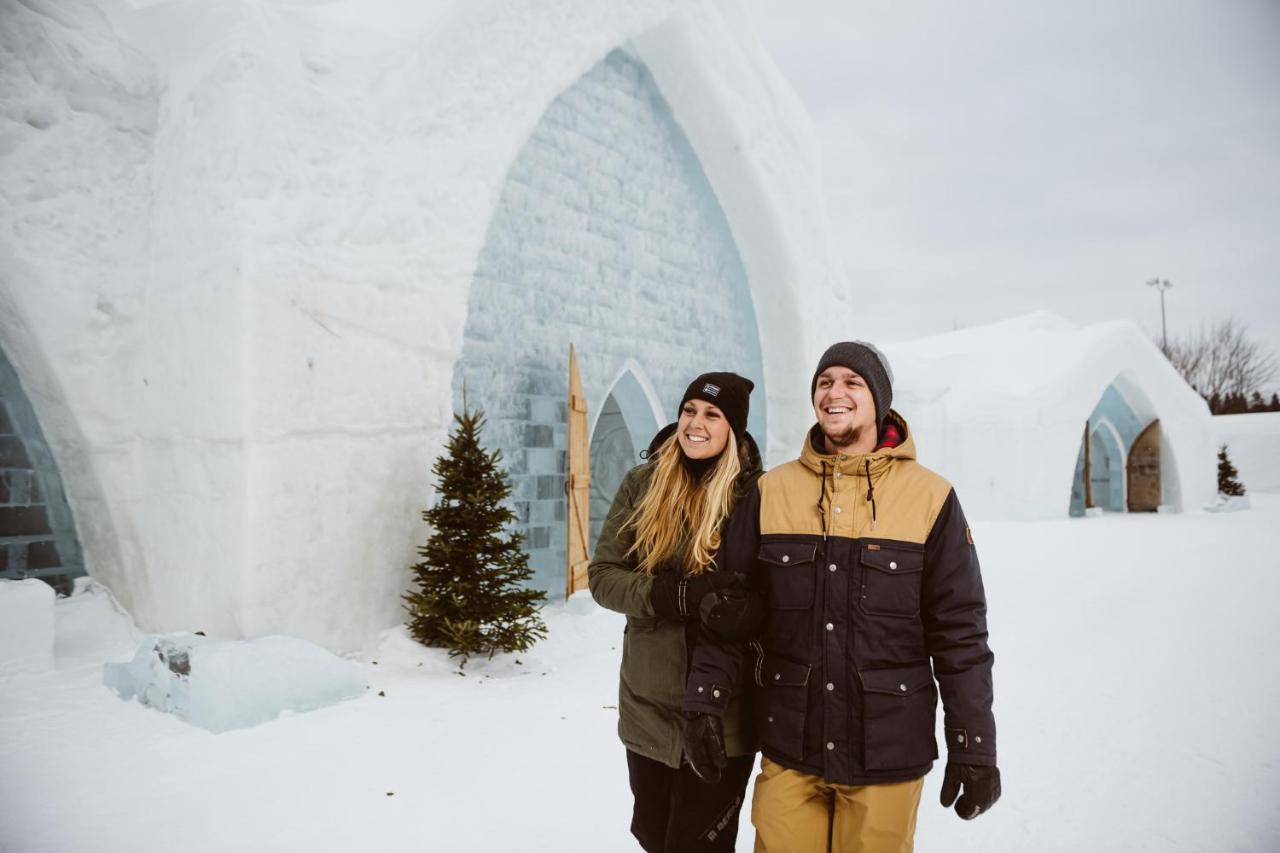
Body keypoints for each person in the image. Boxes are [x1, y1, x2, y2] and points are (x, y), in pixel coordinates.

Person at [688, 342, 1000, 853]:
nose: (835, 393)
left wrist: (975, 745)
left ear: (879, 399)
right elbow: (727, 612)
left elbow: (960, 633)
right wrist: (704, 702)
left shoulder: (931, 498)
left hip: (887, 751)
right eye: (825, 382)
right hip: (791, 744)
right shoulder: (772, 492)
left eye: (852, 382)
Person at [589, 371, 763, 853]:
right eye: (689, 410)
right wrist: (671, 596)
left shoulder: (754, 497)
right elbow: (603, 576)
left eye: (712, 414)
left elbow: (773, 594)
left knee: (698, 844)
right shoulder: (642, 484)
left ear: (734, 429)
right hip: (647, 705)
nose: (696, 423)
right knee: (652, 835)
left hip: (724, 716)